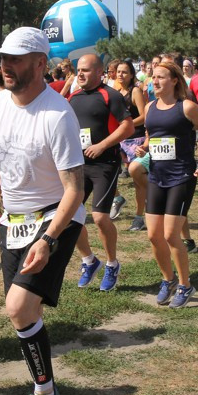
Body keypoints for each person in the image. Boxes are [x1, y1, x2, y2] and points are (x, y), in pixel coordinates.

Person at [0, 27, 85, 395]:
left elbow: (76, 189)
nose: (5, 66)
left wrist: (49, 240)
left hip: (56, 217)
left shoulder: (58, 114)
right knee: (23, 313)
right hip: (12, 220)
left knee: (17, 306)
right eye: (3, 58)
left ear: (40, 63)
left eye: (16, 59)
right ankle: (47, 393)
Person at [135, 61, 198, 308]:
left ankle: (184, 284)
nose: (154, 81)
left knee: (170, 234)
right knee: (153, 235)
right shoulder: (149, 107)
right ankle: (167, 279)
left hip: (181, 175)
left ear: (174, 81)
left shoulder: (187, 107)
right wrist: (144, 147)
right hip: (157, 175)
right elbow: (152, 136)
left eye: (160, 77)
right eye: (153, 77)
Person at [68, 54, 134, 291]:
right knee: (67, 217)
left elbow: (128, 126)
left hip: (105, 163)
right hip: (78, 165)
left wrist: (102, 145)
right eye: (78, 70)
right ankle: (89, 260)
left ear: (99, 72)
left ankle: (112, 264)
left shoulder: (110, 95)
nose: (81, 74)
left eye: (85, 70)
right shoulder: (73, 97)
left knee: (100, 217)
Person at [114, 61, 148, 231]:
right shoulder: (115, 92)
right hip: (119, 140)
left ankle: (139, 217)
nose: (121, 75)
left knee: (137, 180)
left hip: (136, 139)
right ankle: (118, 199)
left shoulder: (135, 91)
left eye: (125, 72)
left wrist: (126, 125)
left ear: (132, 74)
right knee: (110, 173)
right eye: (119, 72)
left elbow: (143, 116)